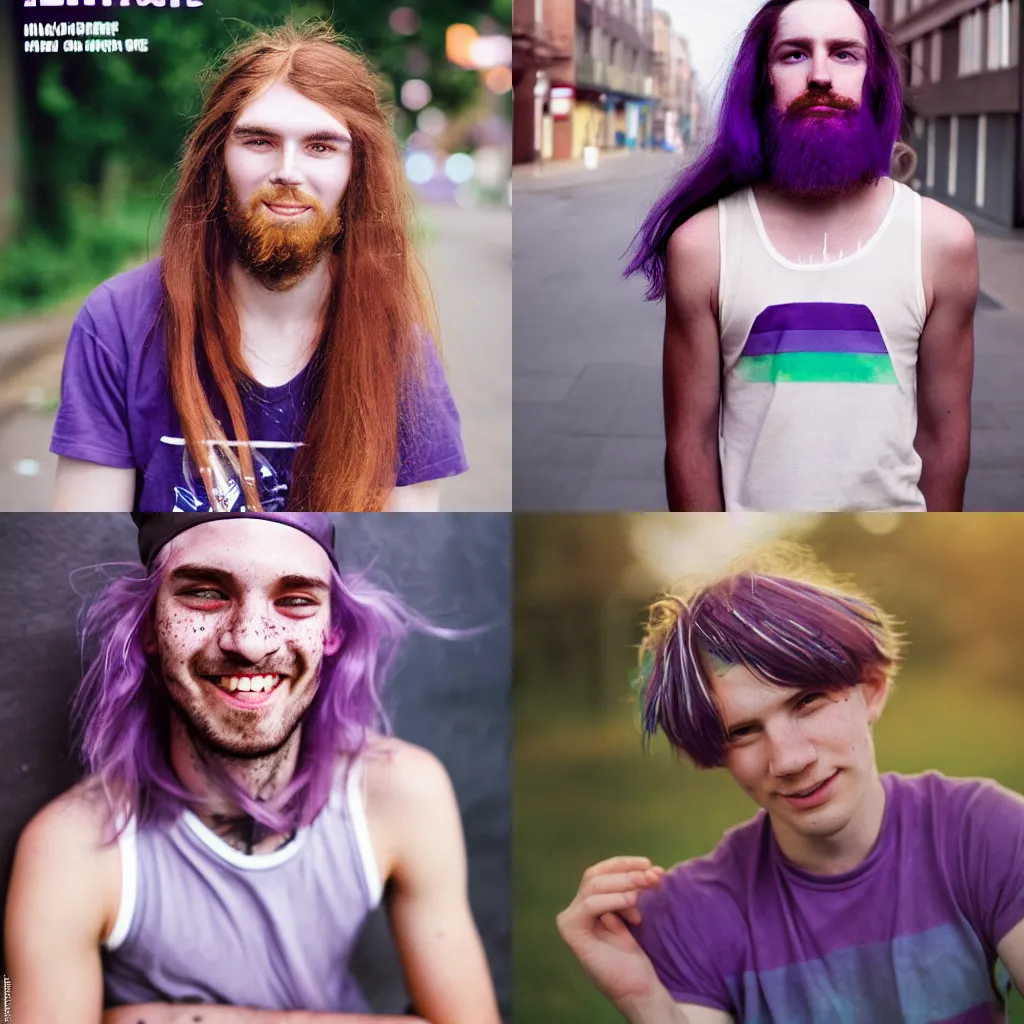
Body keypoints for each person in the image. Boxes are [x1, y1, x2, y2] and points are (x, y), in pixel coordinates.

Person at [5, 512, 500, 1023]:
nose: (251, 641)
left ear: (331, 633)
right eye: (204, 593)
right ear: (149, 627)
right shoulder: (69, 847)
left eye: (295, 601)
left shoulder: (402, 791)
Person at [557, 552, 1024, 1022]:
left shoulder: (986, 832)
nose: (790, 759)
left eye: (807, 702)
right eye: (742, 731)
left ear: (872, 688)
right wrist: (645, 1002)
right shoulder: (688, 913)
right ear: (716, 751)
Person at [50, 22, 467, 513]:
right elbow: (92, 556)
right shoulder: (117, 324)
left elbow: (403, 562)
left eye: (321, 146)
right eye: (259, 141)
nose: (288, 171)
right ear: (216, 161)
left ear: (357, 172)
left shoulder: (398, 349)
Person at [625, 0, 978, 512]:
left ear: (873, 78)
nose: (819, 75)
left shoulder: (943, 241)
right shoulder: (703, 245)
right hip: (757, 561)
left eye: (844, 54)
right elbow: (690, 445)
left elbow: (946, 443)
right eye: (793, 55)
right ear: (762, 79)